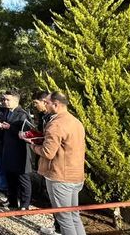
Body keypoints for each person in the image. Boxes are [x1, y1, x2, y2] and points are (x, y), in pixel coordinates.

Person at [25, 92, 86, 235]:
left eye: (46, 102)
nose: (44, 105)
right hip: (76, 175)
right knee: (74, 215)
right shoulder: (76, 121)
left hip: (60, 177)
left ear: (56, 104)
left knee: (64, 217)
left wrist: (32, 145)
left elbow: (47, 153)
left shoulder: (56, 124)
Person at [0, 90, 33, 210]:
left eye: (8, 100)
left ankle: (25, 205)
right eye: (4, 99)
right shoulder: (7, 112)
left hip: (20, 151)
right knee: (10, 177)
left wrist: (10, 127)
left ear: (16, 100)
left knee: (23, 179)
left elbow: (27, 132)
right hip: (8, 149)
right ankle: (11, 201)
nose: (5, 102)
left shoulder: (22, 114)